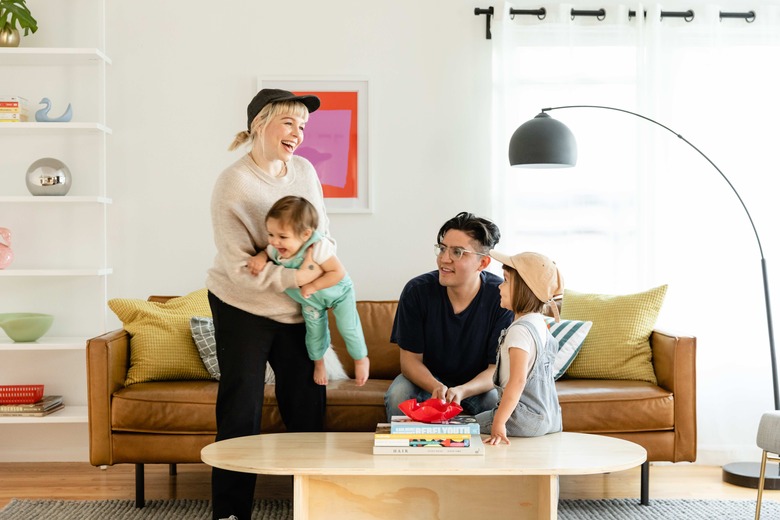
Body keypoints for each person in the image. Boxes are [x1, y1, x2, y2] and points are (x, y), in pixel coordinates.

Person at [206, 88, 330, 520]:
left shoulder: (305, 171)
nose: (298, 134)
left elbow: (323, 231)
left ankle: (315, 507)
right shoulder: (234, 183)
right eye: (289, 123)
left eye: (303, 126)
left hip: (296, 307)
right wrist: (300, 274)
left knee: (308, 408)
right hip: (242, 305)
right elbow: (240, 268)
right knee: (241, 411)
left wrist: (315, 263)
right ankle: (230, 512)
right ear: (260, 123)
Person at [384, 212, 514, 421]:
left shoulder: (501, 297)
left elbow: (494, 370)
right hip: (426, 379)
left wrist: (462, 390)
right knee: (398, 395)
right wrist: (436, 387)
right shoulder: (416, 291)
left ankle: (480, 453)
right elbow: (409, 362)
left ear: (482, 263)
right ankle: (408, 453)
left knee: (493, 400)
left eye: (458, 252)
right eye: (442, 248)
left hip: (474, 385)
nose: (444, 259)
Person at [246, 195, 370, 386]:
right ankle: (319, 363)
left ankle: (361, 358)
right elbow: (265, 252)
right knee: (314, 334)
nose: (274, 242)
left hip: (338, 293)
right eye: (270, 234)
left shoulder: (318, 247)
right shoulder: (275, 250)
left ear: (305, 235)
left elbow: (337, 272)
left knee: (348, 328)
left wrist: (312, 286)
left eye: (282, 237)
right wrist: (260, 258)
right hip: (311, 301)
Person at [476, 251, 564, 445]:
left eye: (506, 280)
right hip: (550, 418)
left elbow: (517, 381)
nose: (499, 286)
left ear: (525, 288)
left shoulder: (519, 331)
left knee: (464, 425)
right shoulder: (540, 323)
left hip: (522, 420)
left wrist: (499, 422)